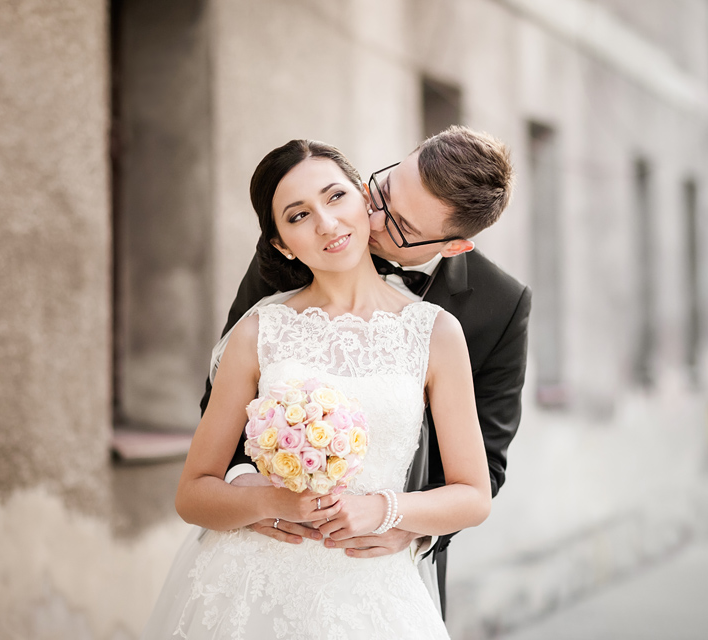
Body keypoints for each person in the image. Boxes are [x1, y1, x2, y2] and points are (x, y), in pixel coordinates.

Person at [141, 139, 491, 638]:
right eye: (298, 215)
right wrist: (268, 501)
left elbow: (474, 494)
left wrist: (385, 510)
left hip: (370, 592)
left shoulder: (433, 332)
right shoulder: (260, 330)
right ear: (282, 243)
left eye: (335, 198)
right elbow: (192, 494)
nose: (326, 224)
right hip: (251, 588)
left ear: (363, 200)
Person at [213, 125, 532, 616]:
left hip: (382, 574)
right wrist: (247, 491)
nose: (372, 219)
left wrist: (408, 526)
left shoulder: (498, 307)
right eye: (381, 191)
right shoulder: (303, 240)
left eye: (401, 224)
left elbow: (482, 466)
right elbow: (223, 401)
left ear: (452, 246)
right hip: (269, 558)